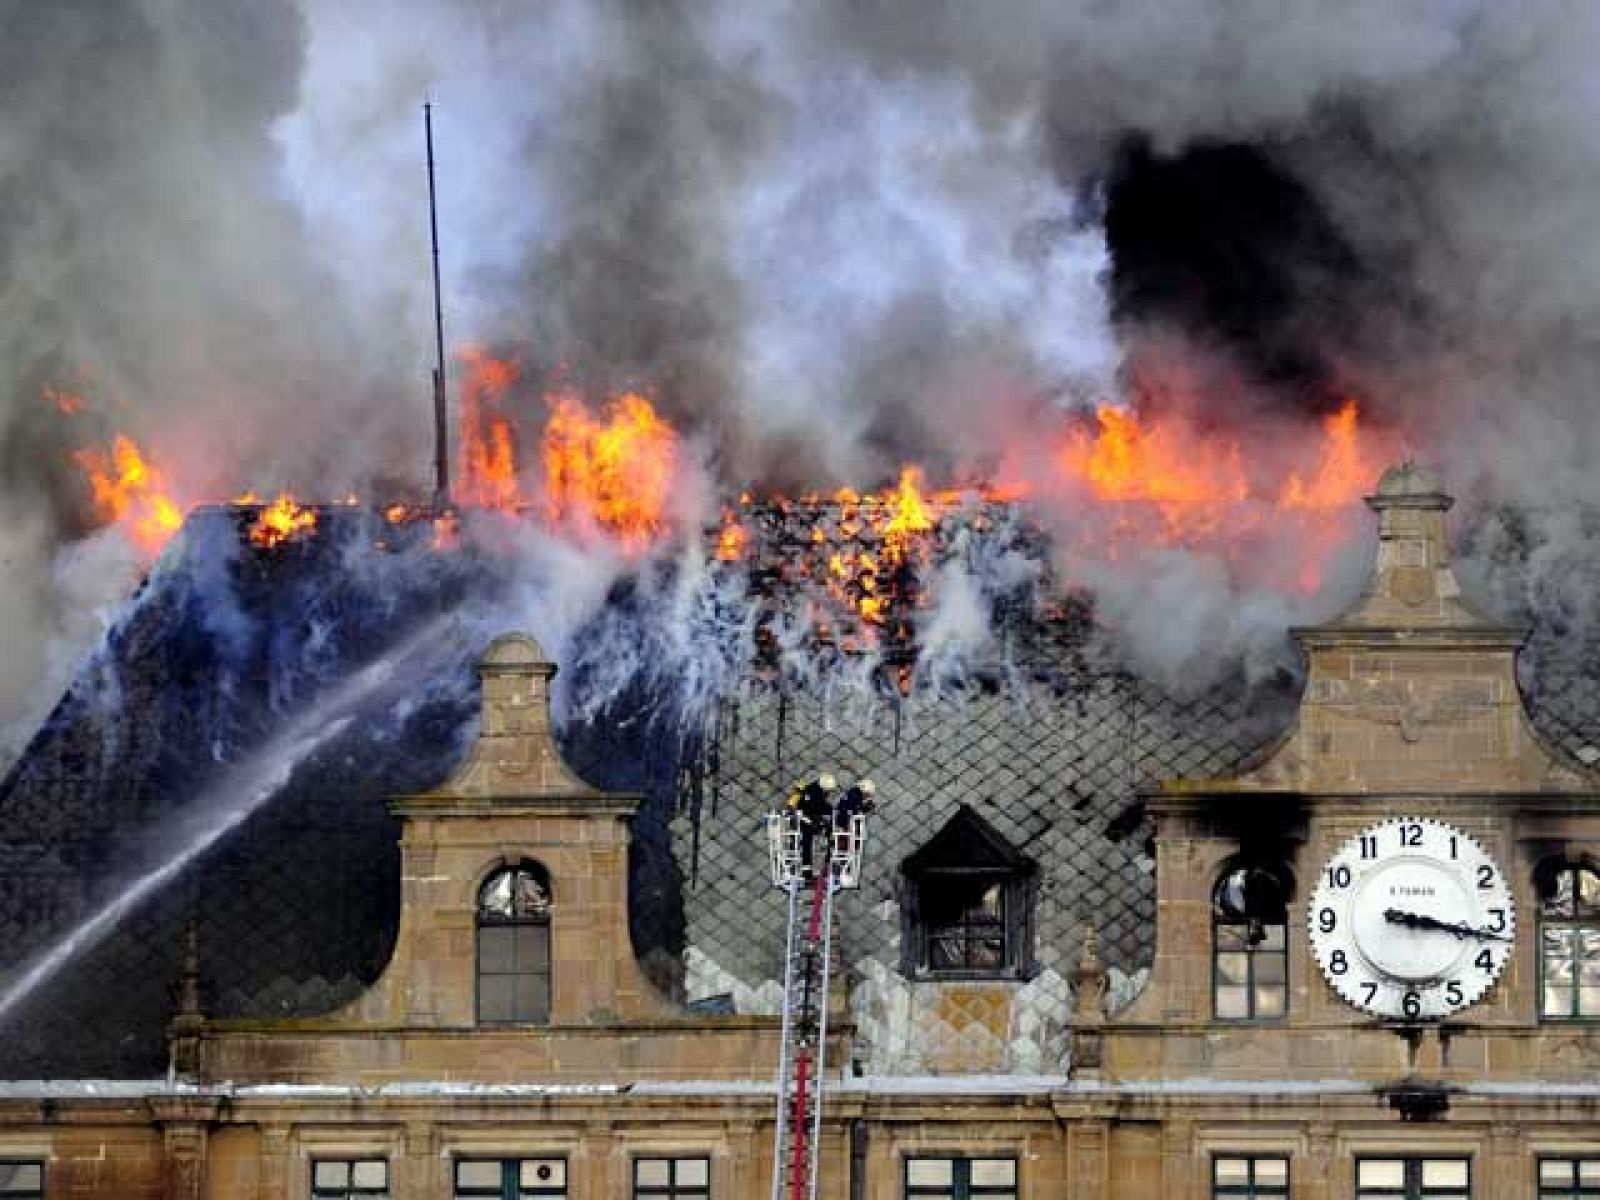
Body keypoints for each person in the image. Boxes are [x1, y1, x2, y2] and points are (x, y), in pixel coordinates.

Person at [784, 773, 837, 879]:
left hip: (808, 818)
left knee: (822, 833)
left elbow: (820, 807)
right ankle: (806, 868)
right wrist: (818, 821)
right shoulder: (812, 793)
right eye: (828, 790)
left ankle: (825, 856)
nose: (829, 793)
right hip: (803, 820)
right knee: (806, 840)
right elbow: (810, 809)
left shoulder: (816, 791)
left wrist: (827, 814)